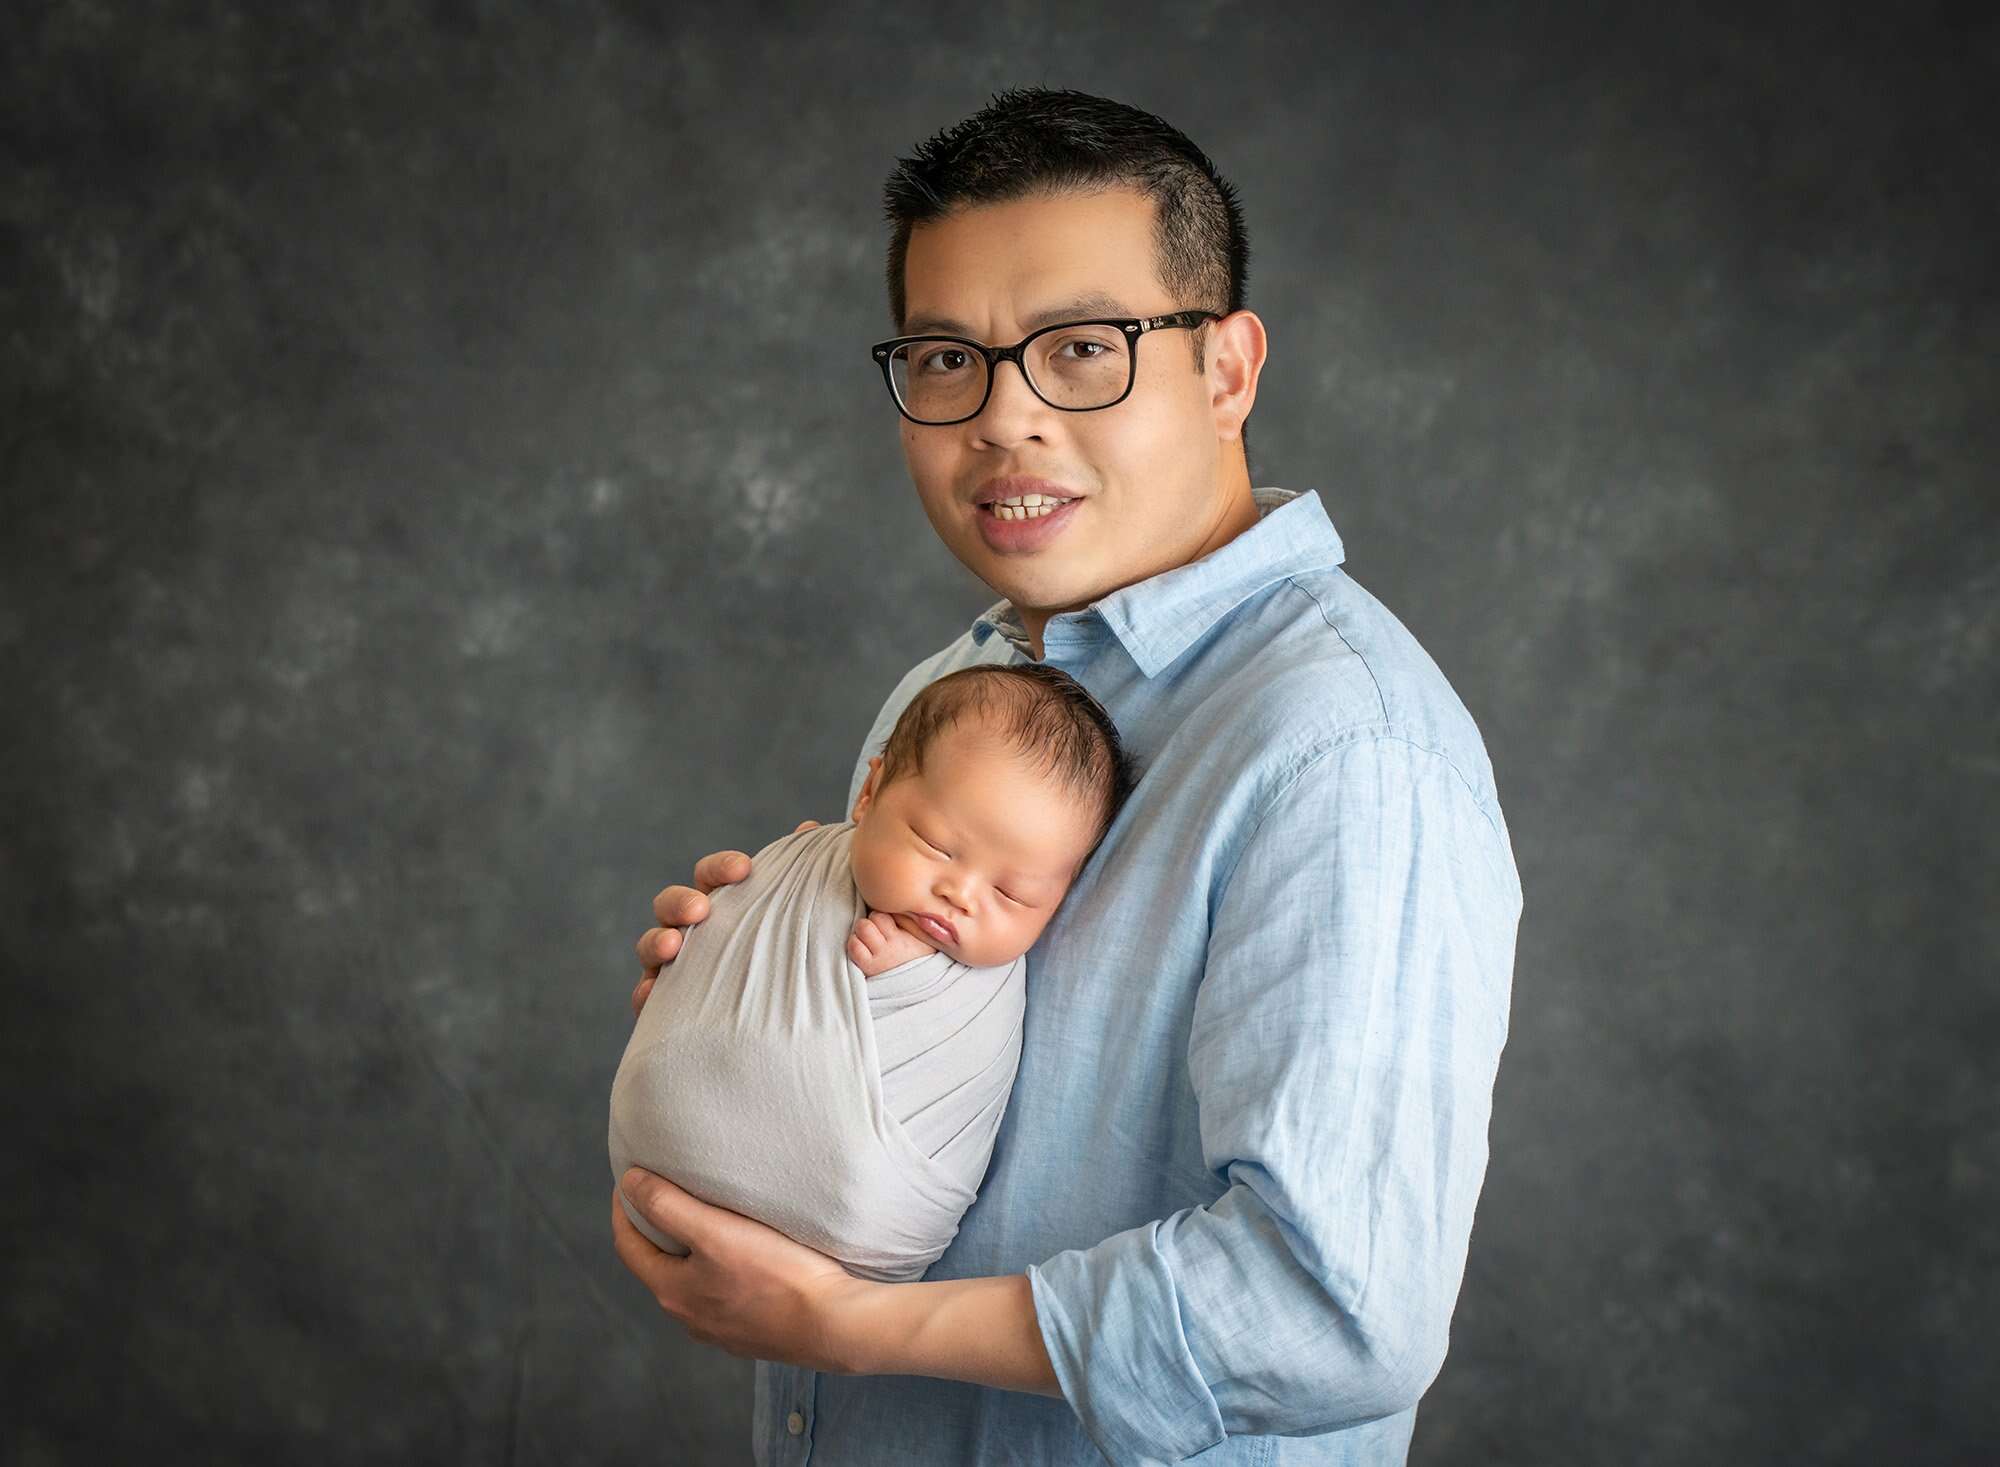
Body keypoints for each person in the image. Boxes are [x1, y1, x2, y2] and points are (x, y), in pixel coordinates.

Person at [612, 86, 1523, 1466]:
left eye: (1083, 347)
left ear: (1227, 369)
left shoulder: (1346, 750)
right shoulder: (952, 683)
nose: (1004, 420)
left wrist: (846, 1323)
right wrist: (771, 997)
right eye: (945, 359)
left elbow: (1336, 1308)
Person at [608, 662, 1135, 1283]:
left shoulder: (987, 985)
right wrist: (732, 934)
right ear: (870, 791)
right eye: (937, 845)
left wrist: (911, 981)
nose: (960, 894)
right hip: (661, 1142)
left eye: (1013, 894)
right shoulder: (814, 849)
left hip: (862, 1223)